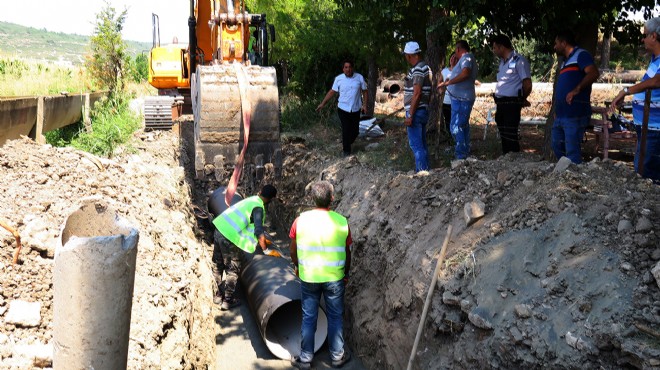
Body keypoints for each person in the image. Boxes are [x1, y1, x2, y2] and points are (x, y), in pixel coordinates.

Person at [289, 181, 352, 369]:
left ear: (312, 199)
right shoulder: (342, 221)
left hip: (309, 278)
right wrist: (346, 274)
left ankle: (306, 358)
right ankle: (337, 356)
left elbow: (292, 249)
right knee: (335, 317)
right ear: (332, 198)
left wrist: (297, 266)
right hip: (335, 278)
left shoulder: (300, 221)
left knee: (309, 317)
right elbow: (347, 252)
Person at [210, 185, 279, 310]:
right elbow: (258, 230)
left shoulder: (251, 199)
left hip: (219, 229)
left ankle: (218, 295)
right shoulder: (258, 207)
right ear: (270, 199)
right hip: (229, 236)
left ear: (260, 191)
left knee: (218, 264)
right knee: (233, 268)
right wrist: (266, 250)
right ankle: (228, 301)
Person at [611, 17, 660, 183]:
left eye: (645, 35)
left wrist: (626, 91)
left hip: (655, 130)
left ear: (654, 36)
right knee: (642, 173)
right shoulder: (654, 60)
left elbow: (655, 82)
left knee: (648, 177)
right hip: (647, 129)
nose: (642, 39)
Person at [551, 31, 600, 164]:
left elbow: (594, 72)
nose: (554, 47)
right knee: (557, 146)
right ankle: (566, 175)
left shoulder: (581, 55)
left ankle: (575, 180)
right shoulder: (564, 62)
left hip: (574, 113)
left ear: (564, 43)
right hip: (561, 114)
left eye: (556, 43)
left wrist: (577, 89)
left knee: (572, 150)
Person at [491, 34, 533, 155]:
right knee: (503, 133)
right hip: (501, 103)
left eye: (495, 48)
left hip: (512, 103)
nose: (494, 51)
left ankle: (514, 159)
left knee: (510, 133)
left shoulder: (519, 60)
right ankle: (506, 157)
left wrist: (522, 98)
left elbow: (527, 83)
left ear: (501, 47)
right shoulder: (502, 62)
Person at [317, 60, 368, 157]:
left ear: (352, 68)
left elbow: (365, 91)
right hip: (343, 109)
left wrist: (364, 105)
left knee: (355, 131)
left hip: (355, 109)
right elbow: (332, 91)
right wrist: (323, 103)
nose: (348, 69)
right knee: (346, 129)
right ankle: (346, 152)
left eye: (350, 67)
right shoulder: (338, 79)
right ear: (343, 69)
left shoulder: (359, 78)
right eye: (346, 67)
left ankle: (347, 142)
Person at [438, 40, 479, 159]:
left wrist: (449, 82)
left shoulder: (466, 58)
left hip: (462, 99)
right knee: (463, 125)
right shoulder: (466, 59)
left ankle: (460, 154)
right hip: (459, 98)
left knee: (456, 127)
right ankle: (465, 151)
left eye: (455, 50)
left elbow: (465, 73)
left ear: (458, 49)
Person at [402, 41, 433, 172]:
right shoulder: (425, 67)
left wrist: (410, 114)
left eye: (405, 55)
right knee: (422, 144)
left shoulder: (419, 69)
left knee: (416, 145)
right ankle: (425, 171)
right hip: (422, 110)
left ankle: (421, 172)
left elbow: (417, 93)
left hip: (416, 111)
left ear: (409, 55)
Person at [440, 52, 458, 140]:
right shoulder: (444, 71)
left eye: (455, 58)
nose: (453, 59)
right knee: (447, 121)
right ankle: (450, 140)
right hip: (446, 101)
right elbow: (439, 84)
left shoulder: (460, 71)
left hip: (457, 101)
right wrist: (444, 84)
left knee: (456, 122)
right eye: (452, 57)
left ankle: (457, 141)